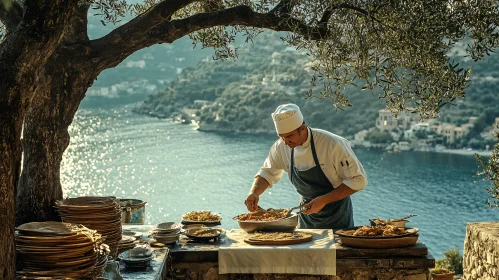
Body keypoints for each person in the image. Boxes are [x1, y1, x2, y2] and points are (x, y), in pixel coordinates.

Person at [244, 103, 368, 229]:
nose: (286, 142)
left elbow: (358, 180)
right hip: (306, 216)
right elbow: (267, 173)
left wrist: (324, 200)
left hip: (337, 216)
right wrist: (254, 193)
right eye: (281, 137)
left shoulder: (332, 144)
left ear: (303, 128)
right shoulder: (281, 147)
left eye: (289, 136)